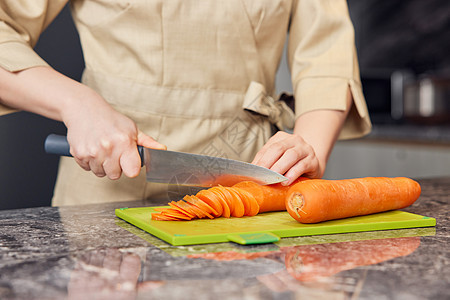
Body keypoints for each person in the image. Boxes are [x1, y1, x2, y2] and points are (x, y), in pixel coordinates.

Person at [0, 1, 371, 206]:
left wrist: (308, 148)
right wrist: (76, 103)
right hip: (108, 188)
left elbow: (327, 54)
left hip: (253, 189)